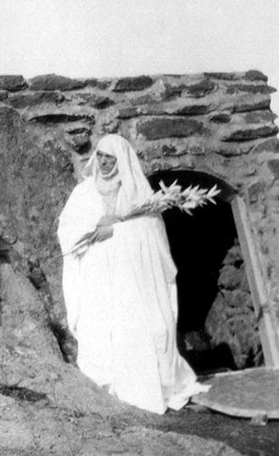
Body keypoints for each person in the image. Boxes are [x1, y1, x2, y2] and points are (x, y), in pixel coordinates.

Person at [57, 135, 207, 414]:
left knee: (147, 327)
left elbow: (153, 233)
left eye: (110, 158)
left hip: (133, 281)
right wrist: (94, 226)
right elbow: (67, 228)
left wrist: (117, 230)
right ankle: (107, 385)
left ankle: (146, 383)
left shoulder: (138, 192)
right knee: (102, 329)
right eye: (100, 155)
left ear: (121, 161)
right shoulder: (84, 193)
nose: (103, 162)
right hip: (98, 277)